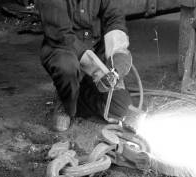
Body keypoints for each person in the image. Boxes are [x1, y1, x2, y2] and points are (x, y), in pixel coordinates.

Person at [36, 0, 133, 131]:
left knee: (119, 108)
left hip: (95, 47)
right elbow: (62, 35)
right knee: (67, 68)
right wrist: (98, 71)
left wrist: (117, 56)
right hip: (63, 48)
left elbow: (114, 19)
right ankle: (65, 100)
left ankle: (78, 92)